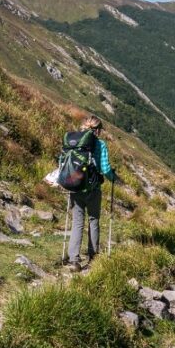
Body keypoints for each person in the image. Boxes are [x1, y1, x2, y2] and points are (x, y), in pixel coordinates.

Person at [65, 115, 118, 270]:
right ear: (98, 130)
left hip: (75, 185)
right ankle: (93, 257)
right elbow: (105, 168)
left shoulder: (74, 141)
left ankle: (74, 260)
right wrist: (113, 178)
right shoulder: (100, 144)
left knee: (77, 222)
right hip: (93, 188)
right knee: (93, 220)